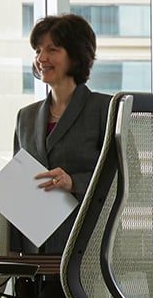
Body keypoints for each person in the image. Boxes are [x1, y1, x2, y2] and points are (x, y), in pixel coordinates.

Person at [16, 13, 113, 253]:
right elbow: (17, 185)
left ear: (76, 54)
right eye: (38, 50)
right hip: (34, 253)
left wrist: (74, 183)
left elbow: (129, 180)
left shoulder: (106, 110)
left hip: (85, 249)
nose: (42, 58)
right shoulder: (25, 117)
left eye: (52, 49)